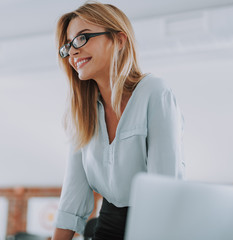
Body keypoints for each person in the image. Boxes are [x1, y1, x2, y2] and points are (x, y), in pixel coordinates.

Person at [52, 2, 185, 240]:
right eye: (68, 45)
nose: (72, 51)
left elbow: (164, 192)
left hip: (155, 223)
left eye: (82, 38)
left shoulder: (154, 92)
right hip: (108, 224)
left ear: (119, 40)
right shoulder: (81, 111)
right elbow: (72, 197)